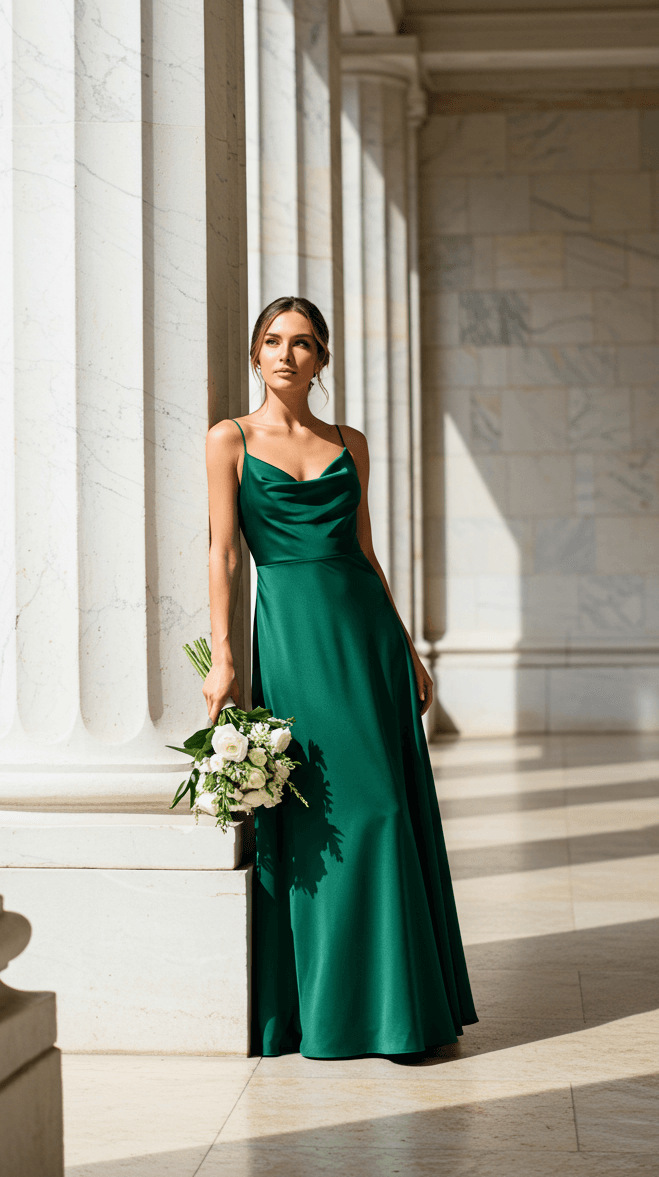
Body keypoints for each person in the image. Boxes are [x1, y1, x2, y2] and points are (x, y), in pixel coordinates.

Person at [203, 295, 478, 1058]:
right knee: (326, 813)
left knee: (387, 808)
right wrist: (225, 655)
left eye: (302, 344)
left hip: (364, 638)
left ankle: (399, 1013)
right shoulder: (229, 438)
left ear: (323, 360)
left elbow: (364, 550)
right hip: (292, 634)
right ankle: (333, 1014)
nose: (285, 354)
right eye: (271, 341)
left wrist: (407, 647)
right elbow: (225, 553)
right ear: (255, 355)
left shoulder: (350, 442)